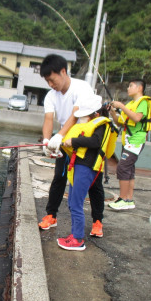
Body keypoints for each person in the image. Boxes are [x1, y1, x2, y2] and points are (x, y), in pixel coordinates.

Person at [38, 54, 105, 238]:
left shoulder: (81, 87)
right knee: (59, 177)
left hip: (86, 142)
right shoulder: (51, 96)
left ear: (63, 72)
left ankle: (98, 221)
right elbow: (48, 119)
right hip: (66, 145)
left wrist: (59, 135)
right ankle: (51, 215)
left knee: (93, 183)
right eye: (47, 81)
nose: (51, 84)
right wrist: (46, 140)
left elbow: (76, 115)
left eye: (52, 79)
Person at [57, 95, 117, 251]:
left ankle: (77, 239)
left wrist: (74, 141)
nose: (81, 118)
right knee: (72, 202)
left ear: (95, 114)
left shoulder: (101, 125)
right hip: (78, 166)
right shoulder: (89, 124)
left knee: (76, 203)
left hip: (87, 167)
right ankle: (74, 235)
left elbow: (96, 142)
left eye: (83, 115)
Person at [108, 78, 151, 210]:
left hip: (136, 140)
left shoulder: (143, 102)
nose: (128, 88)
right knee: (129, 169)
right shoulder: (130, 104)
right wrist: (113, 111)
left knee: (122, 168)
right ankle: (128, 199)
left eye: (131, 86)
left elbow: (137, 118)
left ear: (140, 88)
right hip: (127, 140)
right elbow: (119, 122)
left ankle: (122, 199)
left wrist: (121, 106)